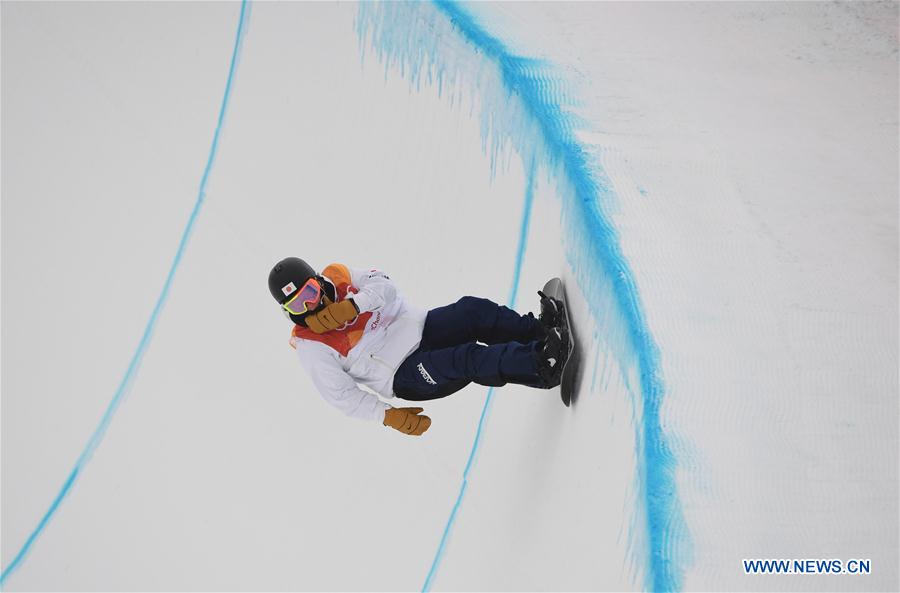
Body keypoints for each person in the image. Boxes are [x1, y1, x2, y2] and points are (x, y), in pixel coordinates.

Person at [268, 257, 568, 437]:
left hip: (422, 328)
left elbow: (386, 286)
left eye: (309, 292)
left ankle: (539, 332)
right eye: (297, 305)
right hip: (403, 374)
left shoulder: (340, 276)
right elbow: (341, 396)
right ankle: (541, 366)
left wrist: (354, 306)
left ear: (318, 281)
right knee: (464, 358)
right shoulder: (311, 345)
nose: (309, 305)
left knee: (471, 311)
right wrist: (387, 416)